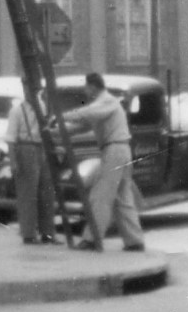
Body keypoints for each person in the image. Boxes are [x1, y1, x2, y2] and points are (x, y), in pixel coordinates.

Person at [61, 72, 145, 252]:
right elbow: (81, 126)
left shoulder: (106, 101)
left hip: (114, 150)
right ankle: (135, 241)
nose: (85, 91)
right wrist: (56, 131)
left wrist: (62, 117)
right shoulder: (103, 106)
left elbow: (87, 114)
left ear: (92, 86)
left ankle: (92, 239)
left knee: (100, 195)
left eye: (86, 87)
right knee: (123, 198)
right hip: (120, 149)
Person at [5, 92, 56, 245]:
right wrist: (13, 161)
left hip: (42, 148)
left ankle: (47, 233)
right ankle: (28, 234)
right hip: (25, 148)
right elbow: (10, 139)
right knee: (28, 193)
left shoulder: (43, 107)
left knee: (46, 192)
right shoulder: (17, 111)